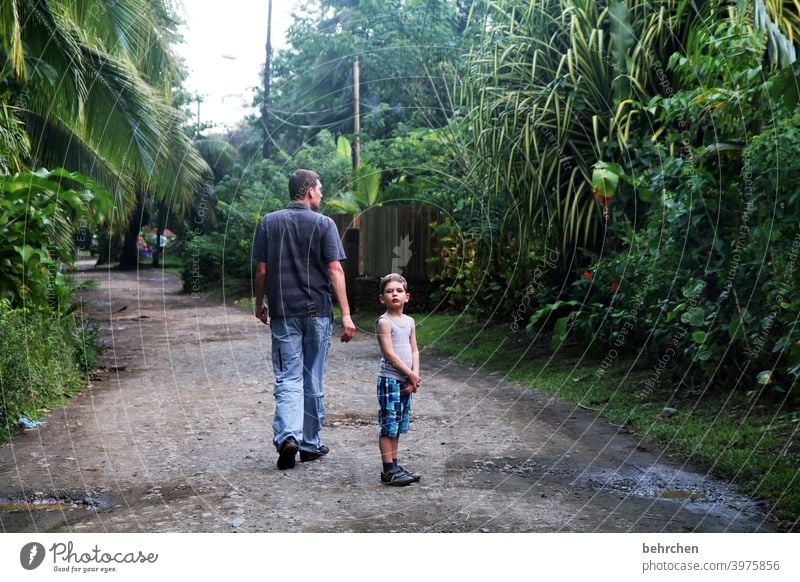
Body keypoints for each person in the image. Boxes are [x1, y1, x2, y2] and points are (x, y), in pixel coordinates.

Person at [253, 169, 356, 470]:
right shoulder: (324, 224)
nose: (322, 194)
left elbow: (262, 271)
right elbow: (335, 271)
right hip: (318, 313)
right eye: (320, 189)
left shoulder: (268, 223)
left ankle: (288, 436)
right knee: (313, 377)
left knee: (289, 377)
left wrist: (260, 304)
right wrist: (347, 314)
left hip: (284, 314)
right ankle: (310, 444)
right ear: (309, 190)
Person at [375, 273, 421, 486]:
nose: (394, 294)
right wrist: (409, 373)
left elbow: (414, 350)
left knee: (398, 424)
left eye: (399, 291)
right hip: (390, 381)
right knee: (388, 424)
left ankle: (394, 464)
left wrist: (414, 375)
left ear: (407, 296)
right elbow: (389, 355)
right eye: (389, 291)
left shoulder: (410, 321)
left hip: (405, 381)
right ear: (382, 298)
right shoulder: (384, 323)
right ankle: (388, 471)